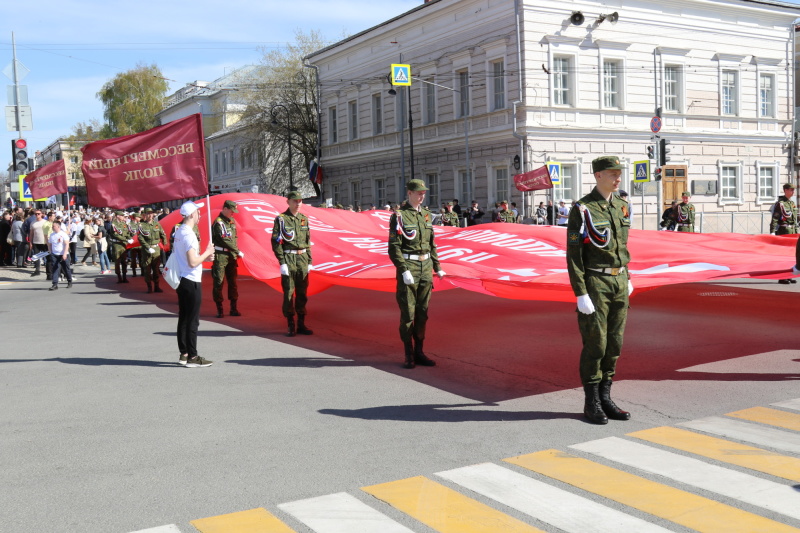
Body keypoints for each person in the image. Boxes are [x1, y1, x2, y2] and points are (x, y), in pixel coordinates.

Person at [566, 155, 633, 425]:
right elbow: (574, 255)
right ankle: (591, 400)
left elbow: (623, 246)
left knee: (614, 345)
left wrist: (628, 275)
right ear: (598, 176)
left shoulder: (622, 206)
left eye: (619, 173)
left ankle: (606, 396)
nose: (618, 178)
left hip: (619, 282)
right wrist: (580, 292)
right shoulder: (583, 209)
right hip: (595, 283)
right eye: (612, 174)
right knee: (596, 345)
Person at [388, 179, 445, 369]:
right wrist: (403, 270)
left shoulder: (427, 215)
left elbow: (432, 244)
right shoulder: (400, 216)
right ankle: (408, 353)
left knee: (423, 313)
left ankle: (420, 351)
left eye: (424, 193)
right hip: (410, 267)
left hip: (425, 268)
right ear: (410, 193)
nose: (422, 196)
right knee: (408, 314)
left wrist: (437, 267)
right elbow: (394, 247)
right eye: (419, 192)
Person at [173, 201, 215, 368]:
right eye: (197, 212)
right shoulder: (189, 234)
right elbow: (192, 261)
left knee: (184, 317)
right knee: (192, 320)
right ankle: (192, 356)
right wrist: (207, 252)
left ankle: (184, 353)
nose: (199, 215)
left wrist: (204, 257)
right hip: (190, 280)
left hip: (183, 279)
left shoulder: (180, 231)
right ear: (191, 214)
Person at [272, 191, 313, 337]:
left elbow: (308, 242)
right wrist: (282, 262)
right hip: (289, 258)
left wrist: (309, 260)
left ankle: (301, 323)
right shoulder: (281, 219)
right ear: (288, 202)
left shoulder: (304, 219)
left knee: (302, 293)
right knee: (289, 292)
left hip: (302, 259)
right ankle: (290, 323)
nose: (298, 204)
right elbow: (276, 242)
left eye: (300, 201)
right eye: (295, 201)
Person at [212, 200, 244, 317]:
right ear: (225, 208)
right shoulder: (218, 223)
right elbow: (224, 240)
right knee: (219, 282)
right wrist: (237, 250)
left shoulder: (232, 221)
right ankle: (219, 309)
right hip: (221, 255)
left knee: (233, 282)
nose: (233, 213)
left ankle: (233, 308)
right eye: (231, 210)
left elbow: (234, 239)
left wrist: (236, 252)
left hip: (231, 256)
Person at [770, 183, 797, 285]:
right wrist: (772, 232)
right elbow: (775, 218)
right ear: (785, 190)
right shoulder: (780, 204)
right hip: (784, 232)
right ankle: (782, 277)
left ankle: (789, 275)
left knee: (791, 256)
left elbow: (795, 218)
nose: (793, 192)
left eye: (793, 190)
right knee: (783, 256)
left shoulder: (791, 203)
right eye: (791, 190)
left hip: (793, 232)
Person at [138, 208, 167, 293]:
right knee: (147, 269)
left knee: (156, 269)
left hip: (156, 250)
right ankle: (149, 287)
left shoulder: (157, 225)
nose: (150, 215)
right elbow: (140, 238)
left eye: (151, 214)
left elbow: (162, 234)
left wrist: (165, 242)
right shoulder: (141, 225)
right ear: (145, 215)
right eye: (148, 214)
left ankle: (157, 286)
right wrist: (147, 247)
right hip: (146, 250)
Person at [47, 220, 73, 290]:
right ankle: (55, 284)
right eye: (52, 226)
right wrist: (50, 251)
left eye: (54, 226)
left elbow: (66, 244)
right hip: (54, 254)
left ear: (58, 227)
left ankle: (69, 281)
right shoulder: (52, 235)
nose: (52, 227)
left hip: (63, 254)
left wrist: (64, 254)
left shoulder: (63, 234)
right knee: (55, 269)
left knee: (66, 269)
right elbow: (49, 244)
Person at [109, 210, 133, 283]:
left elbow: (128, 233)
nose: (123, 217)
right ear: (117, 216)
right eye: (122, 216)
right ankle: (119, 277)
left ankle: (124, 276)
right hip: (117, 244)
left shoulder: (124, 224)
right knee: (117, 261)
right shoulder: (113, 224)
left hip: (123, 245)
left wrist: (129, 238)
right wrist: (125, 239)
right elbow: (115, 235)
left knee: (124, 261)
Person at [28, 210, 51, 279]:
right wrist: (30, 242)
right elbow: (31, 233)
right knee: (36, 256)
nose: (37, 215)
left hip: (44, 242)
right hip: (36, 241)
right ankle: (37, 270)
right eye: (36, 214)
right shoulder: (33, 223)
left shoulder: (45, 222)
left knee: (48, 257)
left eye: (38, 214)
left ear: (41, 214)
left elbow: (49, 232)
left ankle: (49, 272)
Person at [128, 212, 142, 277]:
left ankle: (143, 272)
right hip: (133, 244)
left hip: (140, 244)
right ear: (135, 217)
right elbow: (128, 234)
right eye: (139, 217)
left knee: (141, 258)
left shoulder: (141, 224)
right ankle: (134, 272)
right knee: (133, 259)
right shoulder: (129, 225)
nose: (140, 218)